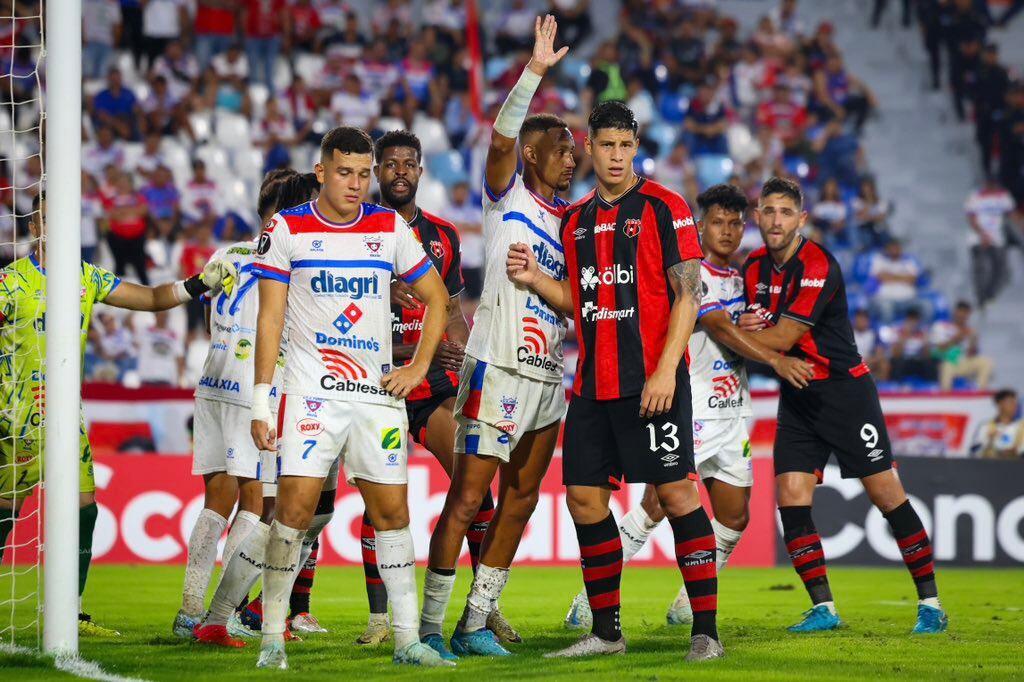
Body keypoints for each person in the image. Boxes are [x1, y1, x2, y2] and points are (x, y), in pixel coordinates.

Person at [506, 100, 723, 663]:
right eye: (607, 146)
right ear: (591, 146)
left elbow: (688, 295)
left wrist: (665, 369)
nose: (618, 156)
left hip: (653, 384)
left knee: (676, 494)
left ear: (636, 146)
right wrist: (534, 280)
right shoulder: (574, 221)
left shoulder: (664, 207)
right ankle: (606, 634)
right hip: (593, 388)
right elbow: (582, 304)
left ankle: (706, 631)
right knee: (583, 498)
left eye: (626, 146)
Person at [560, 184, 815, 631]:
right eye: (717, 222)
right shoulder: (691, 272)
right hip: (692, 407)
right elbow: (715, 324)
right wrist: (771, 354)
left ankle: (685, 601)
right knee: (658, 502)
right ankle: (589, 599)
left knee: (736, 515)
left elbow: (736, 325)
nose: (728, 231)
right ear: (700, 226)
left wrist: (753, 329)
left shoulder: (740, 278)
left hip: (732, 411)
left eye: (735, 223)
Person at [249, 126, 453, 669]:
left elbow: (436, 298)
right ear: (321, 172)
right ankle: (272, 637)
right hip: (310, 394)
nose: (357, 184)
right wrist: (260, 400)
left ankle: (406, 639)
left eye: (364, 174)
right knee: (292, 512)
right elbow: (269, 318)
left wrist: (418, 367)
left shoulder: (387, 227)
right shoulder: (285, 229)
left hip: (375, 397)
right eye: (345, 172)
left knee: (393, 514)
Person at [0, 192, 235, 637]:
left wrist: (198, 283)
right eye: (48, 219)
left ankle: (70, 612)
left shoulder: (86, 278)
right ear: (34, 227)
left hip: (67, 417)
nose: (58, 227)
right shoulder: (9, 283)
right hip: (14, 417)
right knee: (6, 512)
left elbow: (148, 298)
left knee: (85, 509)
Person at [416, 16, 574, 661]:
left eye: (575, 148)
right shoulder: (505, 197)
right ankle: (428, 625)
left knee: (524, 498)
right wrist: (534, 73)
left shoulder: (573, 222)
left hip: (547, 378)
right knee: (468, 496)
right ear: (534, 153)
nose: (574, 155)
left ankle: (475, 620)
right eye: (563, 147)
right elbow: (502, 134)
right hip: (497, 368)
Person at [738, 176, 947, 634]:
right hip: (797, 394)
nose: (776, 221)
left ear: (801, 219)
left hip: (844, 395)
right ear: (757, 216)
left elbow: (782, 337)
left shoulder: (817, 264)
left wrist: (732, 332)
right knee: (791, 499)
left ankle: (931, 603)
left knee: (887, 496)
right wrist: (740, 325)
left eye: (785, 213)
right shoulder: (752, 266)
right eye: (768, 211)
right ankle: (824, 609)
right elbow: (753, 327)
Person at [354, 129, 485, 647]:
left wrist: (458, 345)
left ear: (421, 170)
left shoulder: (445, 236)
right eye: (391, 164)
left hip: (431, 378)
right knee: (379, 499)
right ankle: (379, 619)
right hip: (373, 376)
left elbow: (452, 311)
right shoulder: (358, 231)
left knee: (472, 479)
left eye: (410, 163)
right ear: (377, 172)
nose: (401, 172)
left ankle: (482, 608)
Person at [190, 169, 327, 647]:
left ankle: (190, 610)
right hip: (257, 390)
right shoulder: (289, 257)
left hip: (212, 380)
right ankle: (219, 614)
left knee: (215, 502)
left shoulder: (225, 254)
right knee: (258, 504)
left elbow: (207, 312)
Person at [965, 176, 1015, 309]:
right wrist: (982, 234)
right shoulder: (976, 196)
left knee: (1002, 270)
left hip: (997, 238)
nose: (992, 186)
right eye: (990, 183)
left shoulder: (1003, 196)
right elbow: (971, 217)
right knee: (982, 268)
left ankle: (990, 295)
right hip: (978, 238)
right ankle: (980, 297)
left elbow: (1011, 215)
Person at [931, 301, 993, 390]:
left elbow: (971, 355)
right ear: (955, 312)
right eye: (960, 312)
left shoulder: (969, 330)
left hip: (964, 362)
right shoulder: (941, 326)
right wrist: (955, 339)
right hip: (947, 361)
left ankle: (980, 391)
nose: (962, 316)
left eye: (965, 313)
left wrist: (973, 342)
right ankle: (945, 394)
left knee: (987, 362)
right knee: (947, 366)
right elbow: (937, 350)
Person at [970, 389, 1024, 459]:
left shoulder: (1021, 427)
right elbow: (974, 450)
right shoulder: (986, 426)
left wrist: (1014, 453)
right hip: (989, 466)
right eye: (1010, 403)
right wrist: (989, 444)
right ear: (1000, 404)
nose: (1014, 406)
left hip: (1013, 467)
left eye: (1015, 403)